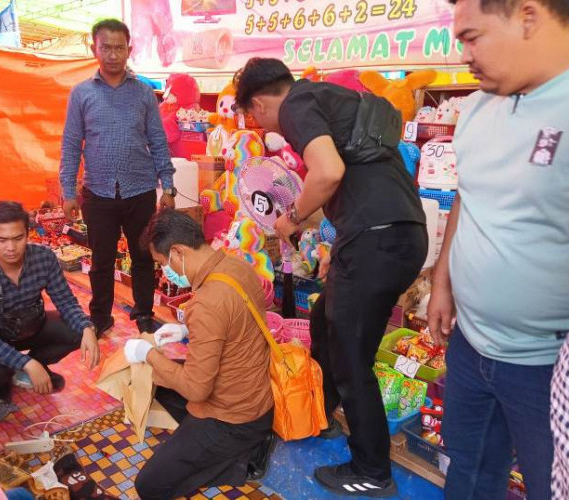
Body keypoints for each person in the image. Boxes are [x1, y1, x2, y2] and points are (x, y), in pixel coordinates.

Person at [234, 58, 427, 496]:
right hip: (400, 233)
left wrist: (292, 217)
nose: (261, 123)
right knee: (325, 321)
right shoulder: (335, 99)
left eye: (253, 114)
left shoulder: (297, 105)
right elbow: (346, 180)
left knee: (350, 356)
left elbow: (328, 172)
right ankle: (320, 414)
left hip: (375, 240)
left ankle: (371, 469)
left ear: (260, 103)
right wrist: (334, 241)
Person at [425, 0, 569, 498]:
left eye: (471, 37)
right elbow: (470, 196)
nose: (462, 53)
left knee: (552, 486)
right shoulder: (477, 107)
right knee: (466, 470)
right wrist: (442, 281)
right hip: (471, 344)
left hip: (547, 366)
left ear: (528, 17)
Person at [122, 209, 274, 500]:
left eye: (162, 262)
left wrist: (148, 354)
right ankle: (217, 444)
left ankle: (243, 459)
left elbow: (196, 388)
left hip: (235, 419)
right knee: (159, 382)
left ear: (178, 251)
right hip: (256, 397)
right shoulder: (235, 266)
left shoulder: (207, 303)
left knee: (149, 485)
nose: (163, 270)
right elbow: (235, 327)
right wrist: (185, 331)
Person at [59, 18, 176, 335]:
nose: (112, 54)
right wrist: (68, 192)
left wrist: (169, 185)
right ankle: (99, 318)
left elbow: (158, 141)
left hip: (140, 191)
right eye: (105, 47)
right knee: (101, 261)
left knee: (142, 257)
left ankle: (143, 315)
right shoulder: (81, 94)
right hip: (98, 194)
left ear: (129, 49)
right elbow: (71, 145)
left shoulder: (143, 94)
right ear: (93, 48)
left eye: (119, 48)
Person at [0, 201, 100, 401]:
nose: (11, 248)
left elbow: (66, 301)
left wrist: (87, 329)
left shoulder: (44, 258)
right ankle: (16, 370)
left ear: (28, 233)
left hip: (29, 327)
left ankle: (35, 362)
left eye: (18, 238)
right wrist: (25, 363)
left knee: (80, 329)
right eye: (1, 239)